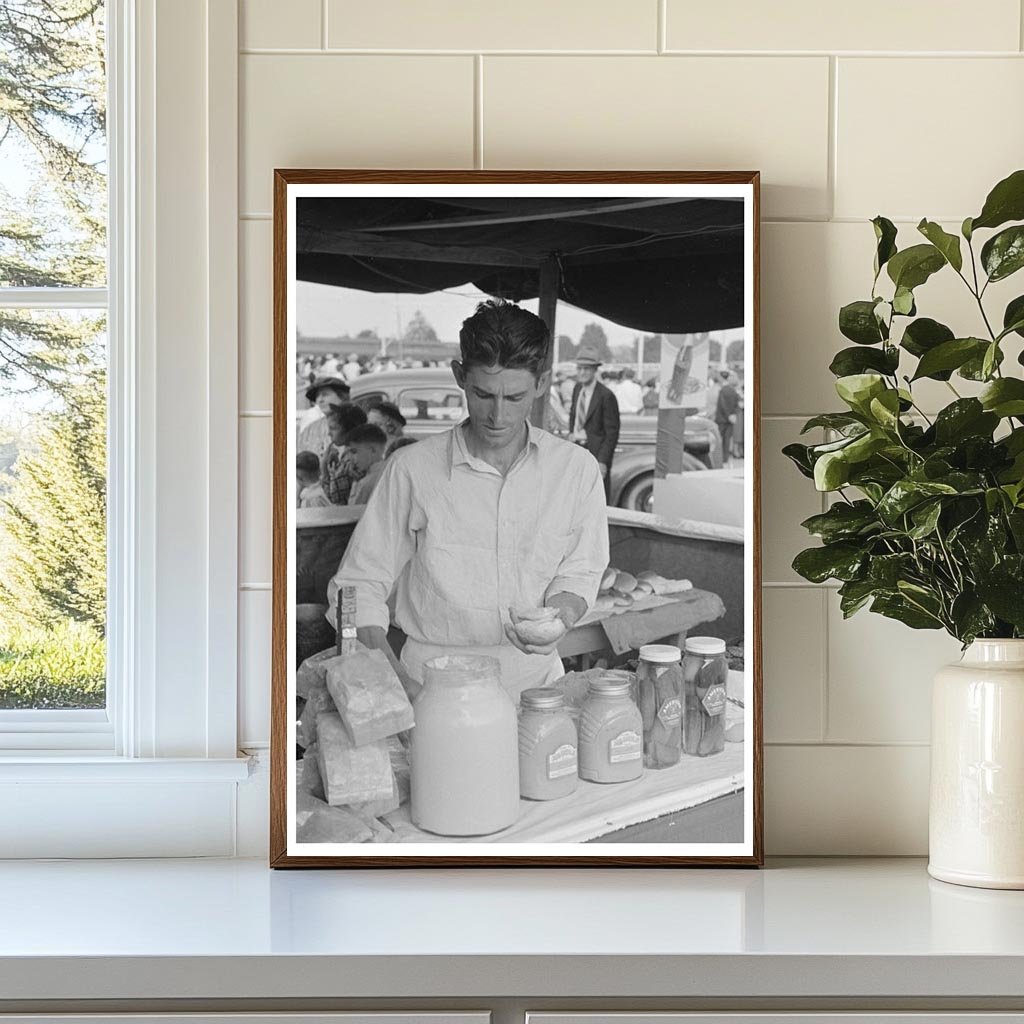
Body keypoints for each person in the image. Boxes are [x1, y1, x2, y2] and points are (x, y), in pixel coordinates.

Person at [328, 299, 608, 701]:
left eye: (515, 398)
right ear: (460, 375)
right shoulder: (412, 469)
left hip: (537, 687)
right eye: (483, 394)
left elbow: (581, 569)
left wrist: (558, 617)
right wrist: (398, 683)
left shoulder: (574, 469)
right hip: (430, 684)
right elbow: (356, 587)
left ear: (542, 384)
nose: (497, 415)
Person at [568, 345, 620, 499]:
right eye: (580, 368)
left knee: (594, 499)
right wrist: (572, 433)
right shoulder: (577, 389)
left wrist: (603, 461)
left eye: (587, 369)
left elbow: (612, 433)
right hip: (576, 450)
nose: (582, 372)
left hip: (595, 454)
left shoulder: (606, 395)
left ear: (595, 370)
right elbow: (574, 414)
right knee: (574, 496)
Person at [320, 403, 368, 505]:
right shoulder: (360, 451)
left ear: (349, 430)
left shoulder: (351, 458)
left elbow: (336, 499)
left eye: (333, 428)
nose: (329, 433)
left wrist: (324, 467)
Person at [297, 376, 351, 457]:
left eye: (325, 394)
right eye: (317, 396)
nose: (320, 400)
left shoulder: (354, 425)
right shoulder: (309, 430)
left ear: (342, 397)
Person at [346, 424, 389, 505]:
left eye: (354, 452)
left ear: (372, 450)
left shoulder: (366, 484)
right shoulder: (391, 473)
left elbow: (353, 514)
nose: (350, 458)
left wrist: (356, 484)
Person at [715, 370, 741, 465]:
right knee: (727, 439)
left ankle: (719, 458)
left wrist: (728, 415)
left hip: (721, 418)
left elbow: (721, 405)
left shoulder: (723, 390)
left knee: (719, 439)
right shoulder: (734, 392)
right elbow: (737, 405)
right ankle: (725, 458)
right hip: (731, 420)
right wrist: (732, 415)